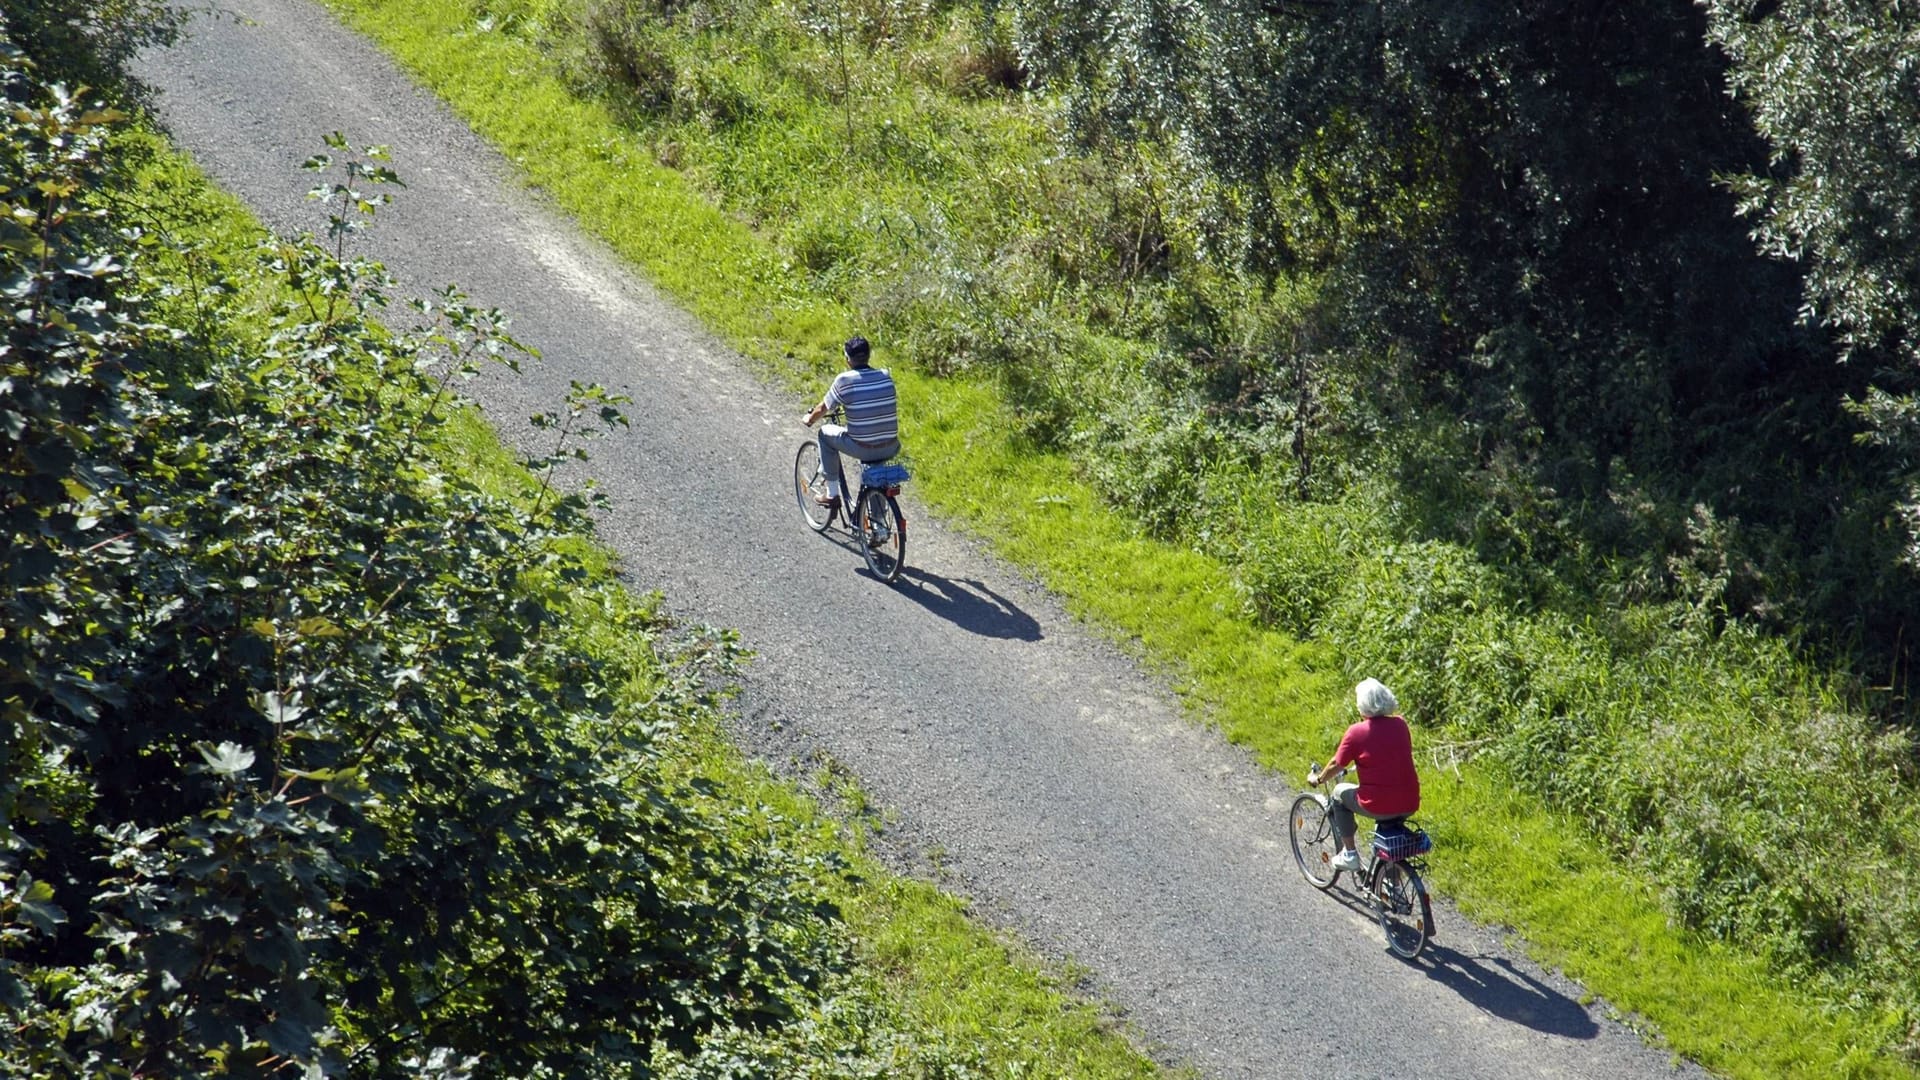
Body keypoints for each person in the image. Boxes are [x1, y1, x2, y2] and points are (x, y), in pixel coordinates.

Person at [1307, 678, 1420, 871]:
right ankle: (1391, 885)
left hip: (1378, 804)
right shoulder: (1401, 725)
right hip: (1410, 802)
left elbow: (1337, 763)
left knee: (1338, 793)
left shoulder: (1357, 732)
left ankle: (1349, 854)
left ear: (1363, 706)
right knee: (1389, 841)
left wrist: (1318, 779)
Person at [801, 335, 899, 510]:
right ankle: (878, 526)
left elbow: (824, 407)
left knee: (824, 434)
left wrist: (810, 419)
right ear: (869, 355)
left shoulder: (844, 381)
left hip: (863, 447)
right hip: (891, 445)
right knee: (875, 472)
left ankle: (831, 494)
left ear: (848, 359)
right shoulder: (885, 376)